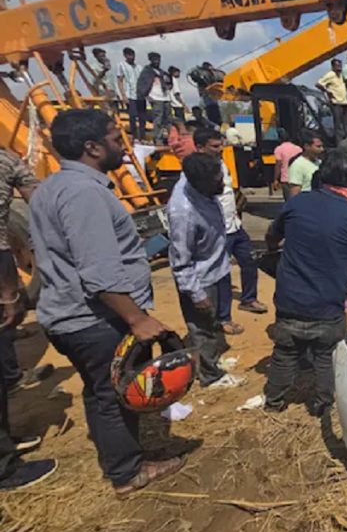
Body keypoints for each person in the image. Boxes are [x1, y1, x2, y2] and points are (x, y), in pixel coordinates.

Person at [30, 109, 185, 495]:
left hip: (65, 314)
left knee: (99, 391)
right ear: (92, 147)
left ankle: (118, 460)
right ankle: (128, 472)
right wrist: (135, 319)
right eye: (116, 138)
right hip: (92, 319)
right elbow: (97, 270)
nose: (122, 144)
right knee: (116, 395)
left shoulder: (51, 186)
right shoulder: (85, 194)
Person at [264, 151, 347, 415]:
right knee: (325, 356)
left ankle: (274, 404)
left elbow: (272, 235)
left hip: (290, 300)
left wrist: (275, 247)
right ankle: (321, 407)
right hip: (327, 305)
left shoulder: (298, 203)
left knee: (284, 355)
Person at [0, 149, 54, 492]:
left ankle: (6, 439)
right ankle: (5, 468)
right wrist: (8, 294)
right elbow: (39, 198)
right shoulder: (5, 162)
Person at [167, 152, 243, 389]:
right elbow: (180, 260)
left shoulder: (205, 192)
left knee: (213, 322)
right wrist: (196, 294)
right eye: (217, 181)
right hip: (200, 279)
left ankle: (213, 361)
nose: (222, 184)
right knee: (201, 328)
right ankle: (210, 376)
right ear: (199, 182)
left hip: (216, 268)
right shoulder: (184, 212)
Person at [193, 129, 268, 334]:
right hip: (218, 232)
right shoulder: (197, 172)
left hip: (234, 225)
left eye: (221, 145)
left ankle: (249, 299)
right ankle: (223, 318)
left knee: (250, 260)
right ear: (200, 148)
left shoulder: (222, 164)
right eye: (215, 146)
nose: (220, 150)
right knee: (222, 275)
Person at [137, 52, 171, 142]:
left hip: (166, 97)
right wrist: (147, 96)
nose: (157, 61)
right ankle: (158, 141)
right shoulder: (147, 71)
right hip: (155, 97)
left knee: (168, 121)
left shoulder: (162, 72)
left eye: (158, 59)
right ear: (150, 60)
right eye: (155, 59)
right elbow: (141, 85)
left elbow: (169, 82)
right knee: (158, 121)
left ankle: (170, 140)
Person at [316, 58, 347, 141]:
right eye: (337, 66)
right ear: (333, 66)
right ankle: (339, 143)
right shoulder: (330, 75)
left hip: (344, 102)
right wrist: (327, 91)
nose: (339, 67)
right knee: (338, 124)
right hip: (336, 103)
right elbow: (318, 84)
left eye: (340, 65)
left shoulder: (341, 75)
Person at [116, 47, 144, 141]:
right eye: (129, 55)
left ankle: (142, 136)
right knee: (132, 116)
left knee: (142, 117)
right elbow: (120, 80)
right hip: (129, 94)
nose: (131, 57)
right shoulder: (121, 65)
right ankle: (135, 137)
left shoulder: (139, 67)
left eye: (132, 55)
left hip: (140, 95)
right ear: (125, 56)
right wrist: (123, 95)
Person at [287, 130, 325, 196]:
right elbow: (295, 194)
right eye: (318, 146)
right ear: (307, 146)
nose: (322, 149)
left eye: (322, 146)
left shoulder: (320, 162)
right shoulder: (297, 165)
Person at [273, 130, 302, 201]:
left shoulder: (279, 149)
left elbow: (278, 165)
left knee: (288, 201)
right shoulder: (298, 148)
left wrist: (276, 179)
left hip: (286, 179)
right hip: (298, 178)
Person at [197, 62, 223, 127]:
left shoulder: (203, 76)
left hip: (210, 102)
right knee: (214, 117)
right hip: (210, 102)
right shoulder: (205, 76)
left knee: (213, 117)